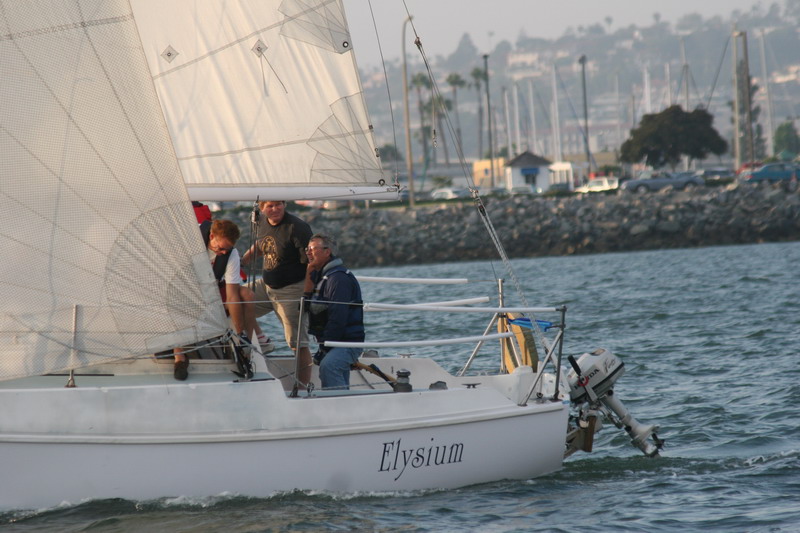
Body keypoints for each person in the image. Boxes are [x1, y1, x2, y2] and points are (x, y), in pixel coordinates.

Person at [241, 201, 313, 387]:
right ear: (262, 208)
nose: (275, 209)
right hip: (267, 286)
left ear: (284, 204)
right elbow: (261, 245)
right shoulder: (262, 222)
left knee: (297, 342)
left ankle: (302, 388)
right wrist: (242, 262)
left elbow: (311, 264)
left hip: (291, 289)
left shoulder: (297, 228)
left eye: (278, 204)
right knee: (235, 301)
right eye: (270, 206)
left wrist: (306, 293)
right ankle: (261, 339)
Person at [174, 219, 250, 380]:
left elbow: (232, 295)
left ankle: (243, 350)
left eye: (227, 249)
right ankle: (179, 357)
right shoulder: (190, 240)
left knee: (246, 295)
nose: (223, 253)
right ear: (211, 236)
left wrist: (240, 333)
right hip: (181, 288)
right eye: (220, 248)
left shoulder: (231, 254)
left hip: (209, 293)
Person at [303, 234, 365, 390]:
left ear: (327, 252)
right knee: (332, 366)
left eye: (312, 249)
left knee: (329, 366)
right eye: (307, 249)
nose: (308, 253)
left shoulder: (338, 279)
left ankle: (339, 403)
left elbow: (338, 317)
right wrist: (309, 273)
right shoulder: (321, 277)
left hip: (346, 342)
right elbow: (304, 307)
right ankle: (344, 399)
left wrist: (326, 347)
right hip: (334, 341)